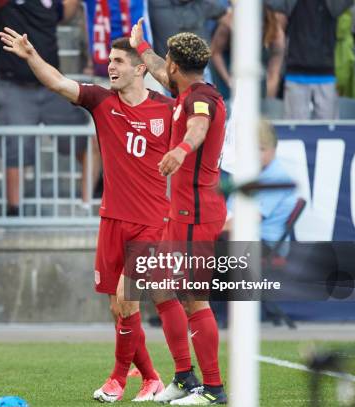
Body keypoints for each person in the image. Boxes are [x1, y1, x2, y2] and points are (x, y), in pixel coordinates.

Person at [0, 29, 174, 402]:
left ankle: (116, 379)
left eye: (118, 61)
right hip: (112, 219)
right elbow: (59, 83)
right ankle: (152, 378)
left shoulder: (166, 109)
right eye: (109, 60)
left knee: (127, 299)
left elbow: (195, 120)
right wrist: (31, 55)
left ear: (140, 68)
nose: (110, 66)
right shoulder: (101, 101)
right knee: (117, 308)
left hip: (150, 221)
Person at [131, 20, 228, 405]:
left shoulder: (199, 99)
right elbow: (156, 68)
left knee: (193, 295)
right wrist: (142, 47)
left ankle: (215, 389)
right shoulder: (186, 87)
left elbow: (199, 127)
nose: (163, 66)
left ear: (176, 65)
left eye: (166, 60)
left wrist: (181, 150)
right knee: (159, 284)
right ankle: (185, 377)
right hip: (181, 209)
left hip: (197, 210)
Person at [0, 0, 88, 216]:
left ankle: (92, 193)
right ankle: (14, 208)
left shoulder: (51, 3)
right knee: (15, 149)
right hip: (15, 85)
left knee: (83, 140)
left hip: (52, 84)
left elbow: (66, 11)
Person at [265, 0, 353, 119]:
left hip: (325, 73)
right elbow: (271, 3)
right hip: (296, 73)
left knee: (329, 132)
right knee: (294, 131)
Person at [225, 121, 298, 254]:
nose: (256, 154)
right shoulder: (251, 170)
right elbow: (231, 209)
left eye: (262, 149)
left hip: (266, 245)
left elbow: (247, 219)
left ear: (274, 149)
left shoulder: (278, 178)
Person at [210, 5, 285, 99]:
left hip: (258, 60)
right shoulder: (229, 22)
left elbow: (273, 74)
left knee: (260, 97)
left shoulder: (276, 34)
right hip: (227, 58)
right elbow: (215, 52)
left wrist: (268, 101)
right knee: (227, 102)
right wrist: (229, 81)